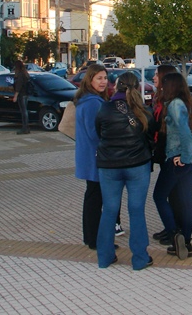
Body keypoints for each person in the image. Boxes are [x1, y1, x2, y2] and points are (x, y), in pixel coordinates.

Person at [95, 72, 156, 270]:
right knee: (136, 210)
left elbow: (99, 133)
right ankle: (139, 258)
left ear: (117, 86)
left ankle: (104, 258)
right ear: (137, 87)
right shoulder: (143, 111)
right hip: (137, 165)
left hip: (109, 166)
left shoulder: (104, 108)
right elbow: (151, 136)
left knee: (109, 210)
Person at [153, 72, 192, 260]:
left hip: (179, 156)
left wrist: (185, 157)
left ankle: (174, 234)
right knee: (186, 199)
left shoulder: (174, 105)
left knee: (159, 196)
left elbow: (185, 132)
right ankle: (186, 242)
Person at [74, 64, 109, 250]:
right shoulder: (92, 103)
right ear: (90, 80)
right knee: (95, 200)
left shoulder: (89, 100)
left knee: (92, 198)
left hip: (90, 157)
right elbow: (94, 132)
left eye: (105, 78)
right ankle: (94, 239)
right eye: (99, 78)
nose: (103, 82)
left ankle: (91, 237)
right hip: (94, 158)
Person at [150, 64, 179, 247]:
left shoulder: (173, 103)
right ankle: (170, 228)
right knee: (168, 195)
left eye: (156, 75)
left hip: (172, 154)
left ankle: (174, 231)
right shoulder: (160, 98)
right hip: (164, 153)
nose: (153, 78)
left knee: (165, 195)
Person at [13, 60, 31, 134]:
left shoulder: (20, 74)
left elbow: (18, 86)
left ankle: (25, 127)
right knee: (25, 111)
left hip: (21, 94)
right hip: (26, 94)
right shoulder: (25, 73)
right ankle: (26, 127)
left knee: (23, 111)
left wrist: (15, 96)